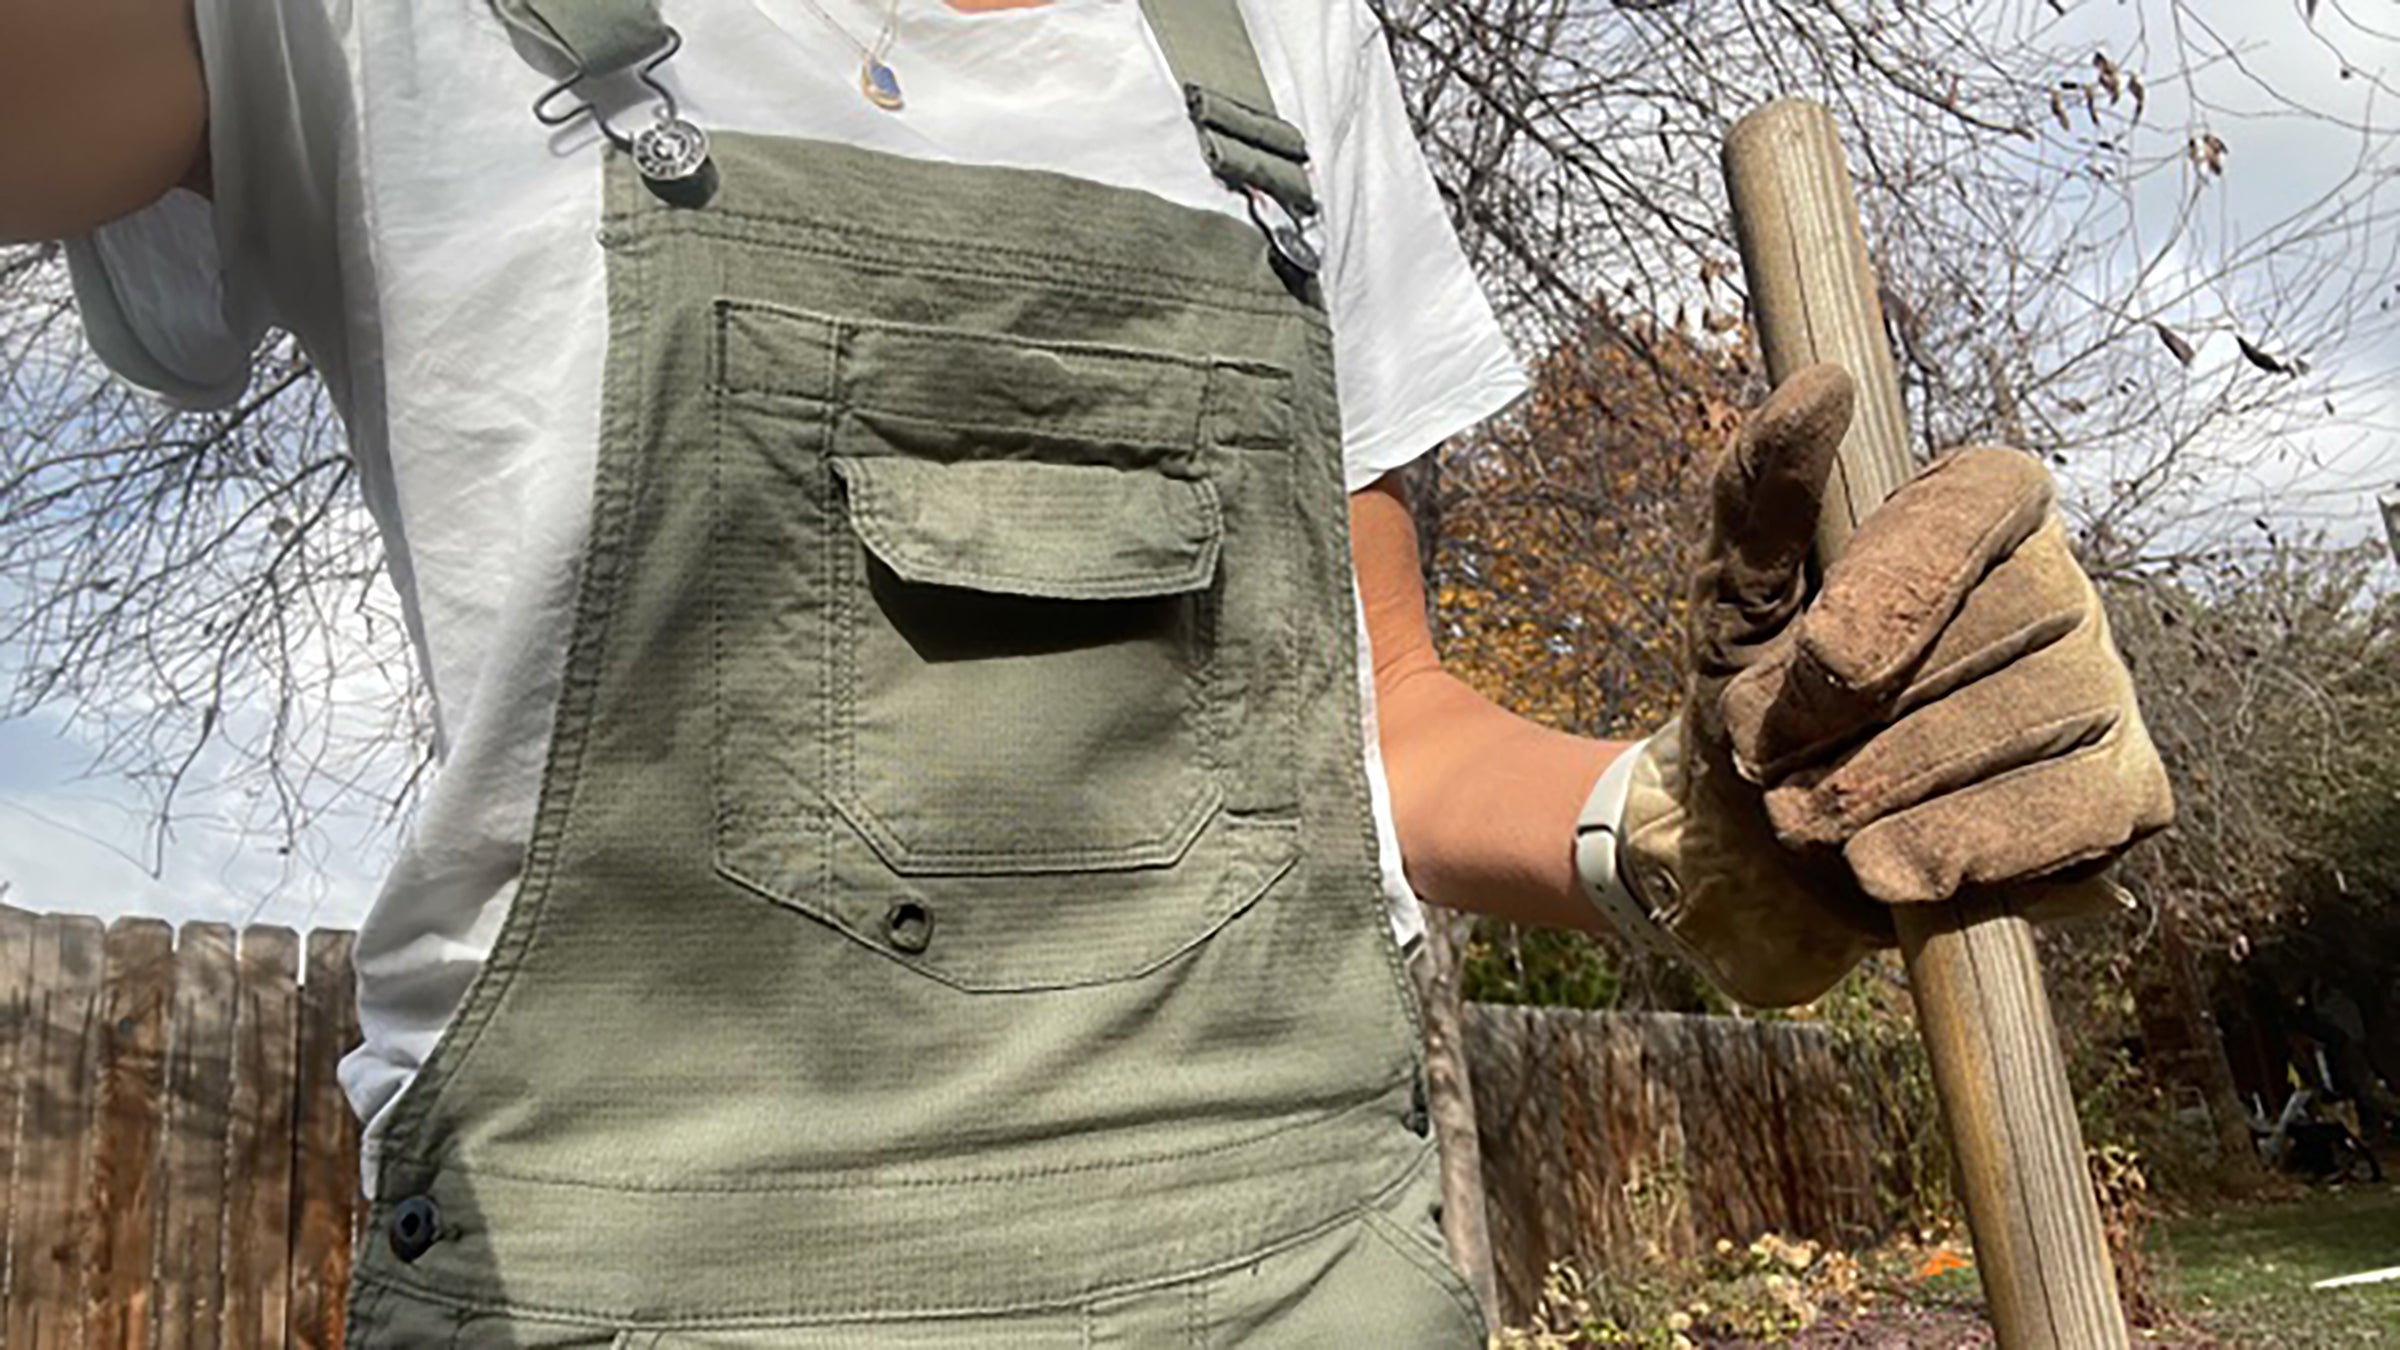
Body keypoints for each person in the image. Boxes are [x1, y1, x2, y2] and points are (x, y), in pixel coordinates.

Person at [3, 1, 2172, 1343]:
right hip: (646, 1293)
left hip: (1297, 1281)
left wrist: (1682, 827)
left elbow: (1373, 722)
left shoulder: (1274, 42)